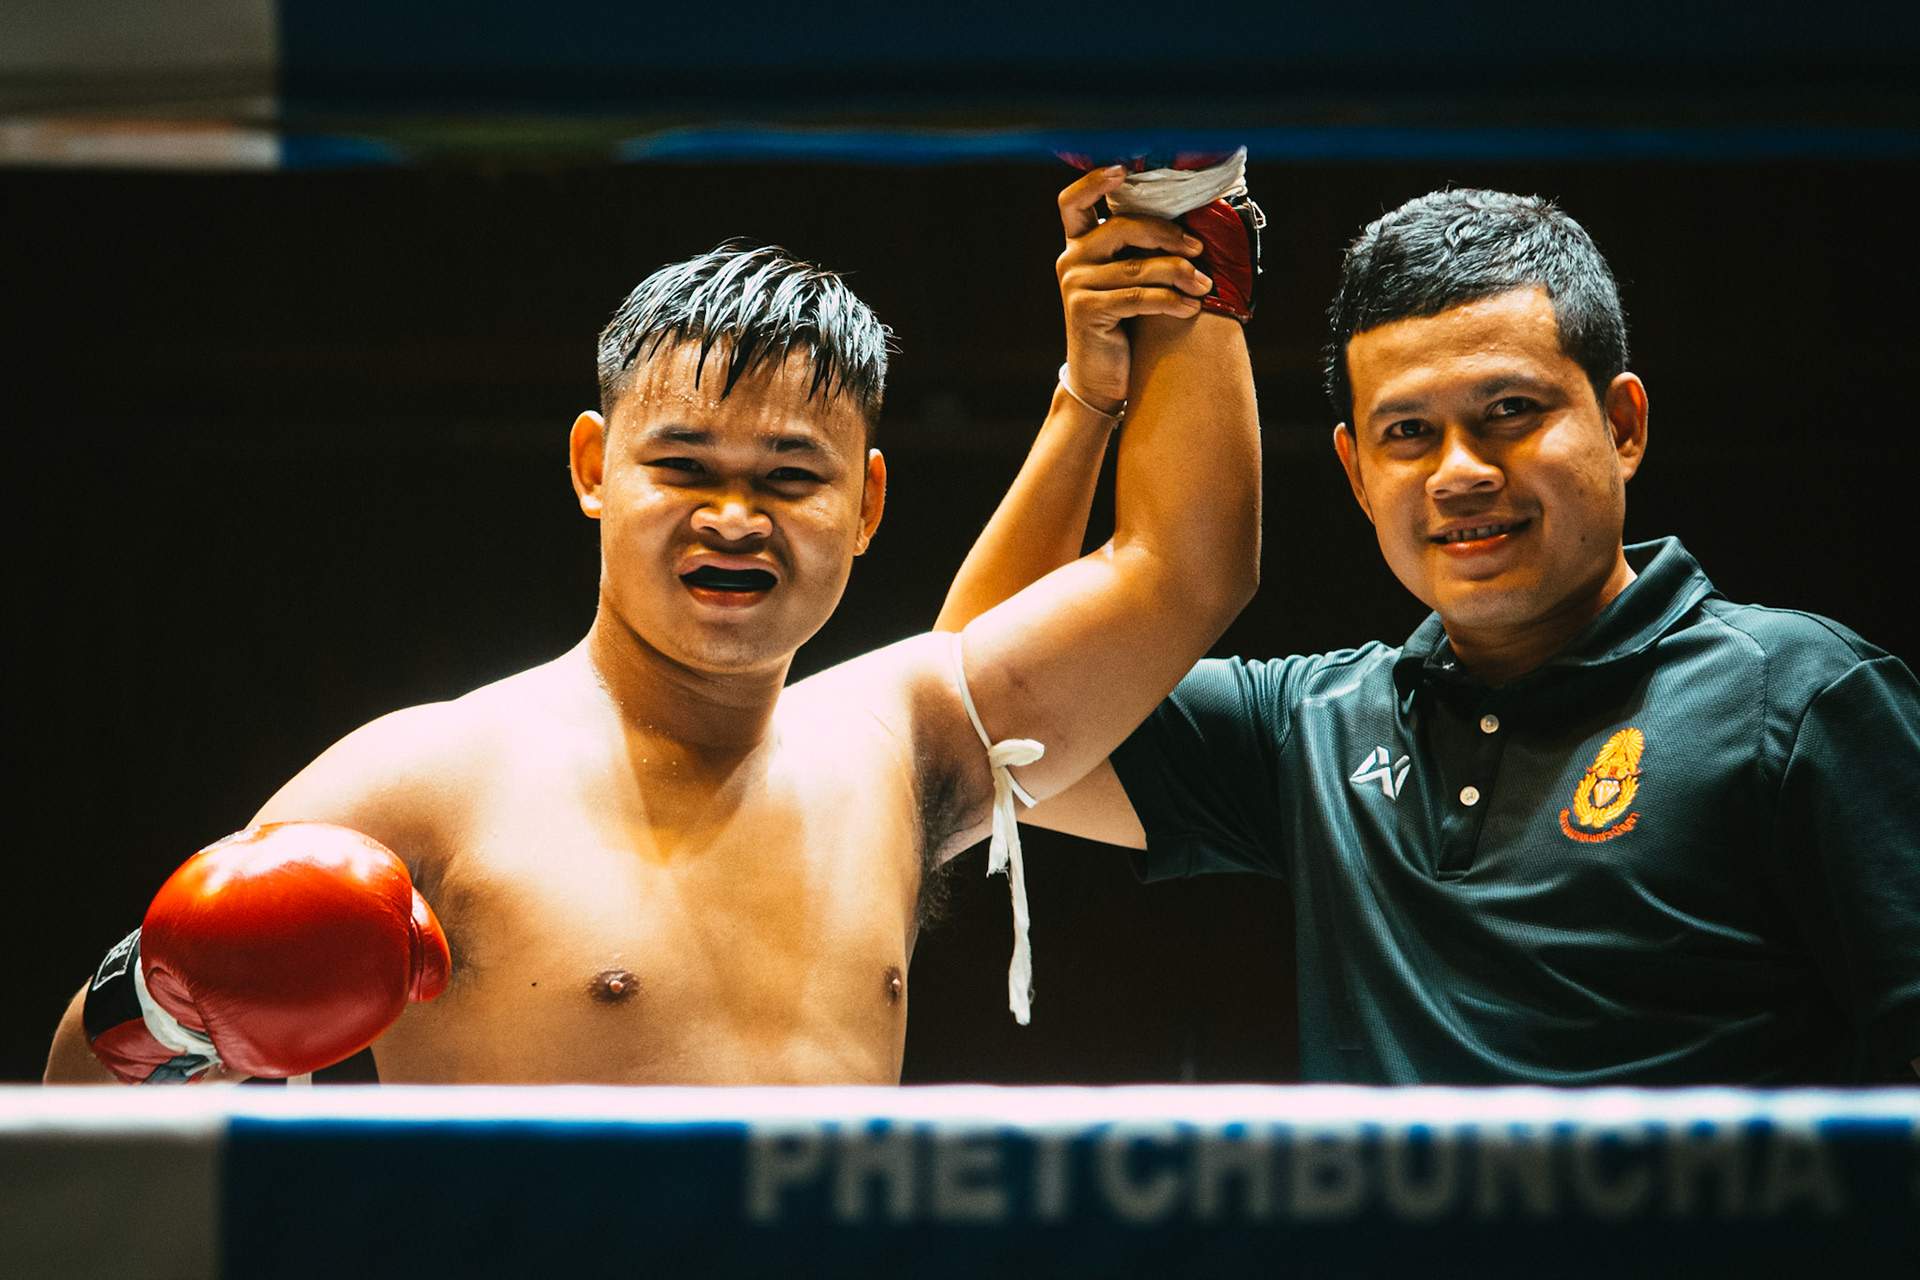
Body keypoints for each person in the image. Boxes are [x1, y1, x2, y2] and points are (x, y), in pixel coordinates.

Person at [43, 166, 1260, 1085]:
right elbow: (75, 1102)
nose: (734, 516)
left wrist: (1190, 202)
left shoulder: (899, 742)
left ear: (869, 502)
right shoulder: (432, 774)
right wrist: (160, 1005)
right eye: (682, 464)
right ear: (593, 465)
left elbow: (1183, 571)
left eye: (791, 476)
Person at [938, 187, 1920, 1084]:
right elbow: (968, 709)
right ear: (1358, 474)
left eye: (1509, 411)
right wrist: (1089, 396)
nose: (1460, 471)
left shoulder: (1799, 695)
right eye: (1406, 432)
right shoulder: (1315, 725)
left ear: (1622, 424)